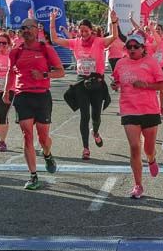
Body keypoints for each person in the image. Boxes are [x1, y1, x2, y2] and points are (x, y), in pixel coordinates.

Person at [2, 19, 65, 190]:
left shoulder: (45, 49)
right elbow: (10, 71)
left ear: (37, 30)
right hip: (23, 96)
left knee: (43, 138)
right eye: (23, 28)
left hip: (42, 96)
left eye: (29, 27)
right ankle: (33, 176)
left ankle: (47, 154)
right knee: (27, 135)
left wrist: (44, 75)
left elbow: (61, 72)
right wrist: (6, 90)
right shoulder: (15, 52)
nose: (26, 30)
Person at [49, 10, 119, 160]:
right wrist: (52, 21)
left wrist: (114, 22)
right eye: (81, 31)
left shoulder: (99, 42)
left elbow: (114, 37)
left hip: (97, 82)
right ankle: (86, 148)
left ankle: (96, 132)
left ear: (91, 30)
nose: (83, 33)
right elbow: (55, 39)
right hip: (82, 82)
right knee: (84, 116)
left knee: (96, 116)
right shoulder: (75, 42)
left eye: (85, 31)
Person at [111, 33, 163, 198]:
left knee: (149, 147)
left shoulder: (151, 62)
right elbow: (117, 81)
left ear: (143, 48)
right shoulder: (120, 63)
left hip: (149, 109)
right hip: (129, 109)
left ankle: (151, 159)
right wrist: (114, 85)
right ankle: (138, 185)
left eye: (136, 46)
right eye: (129, 47)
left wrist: (146, 85)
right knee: (135, 147)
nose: (132, 49)